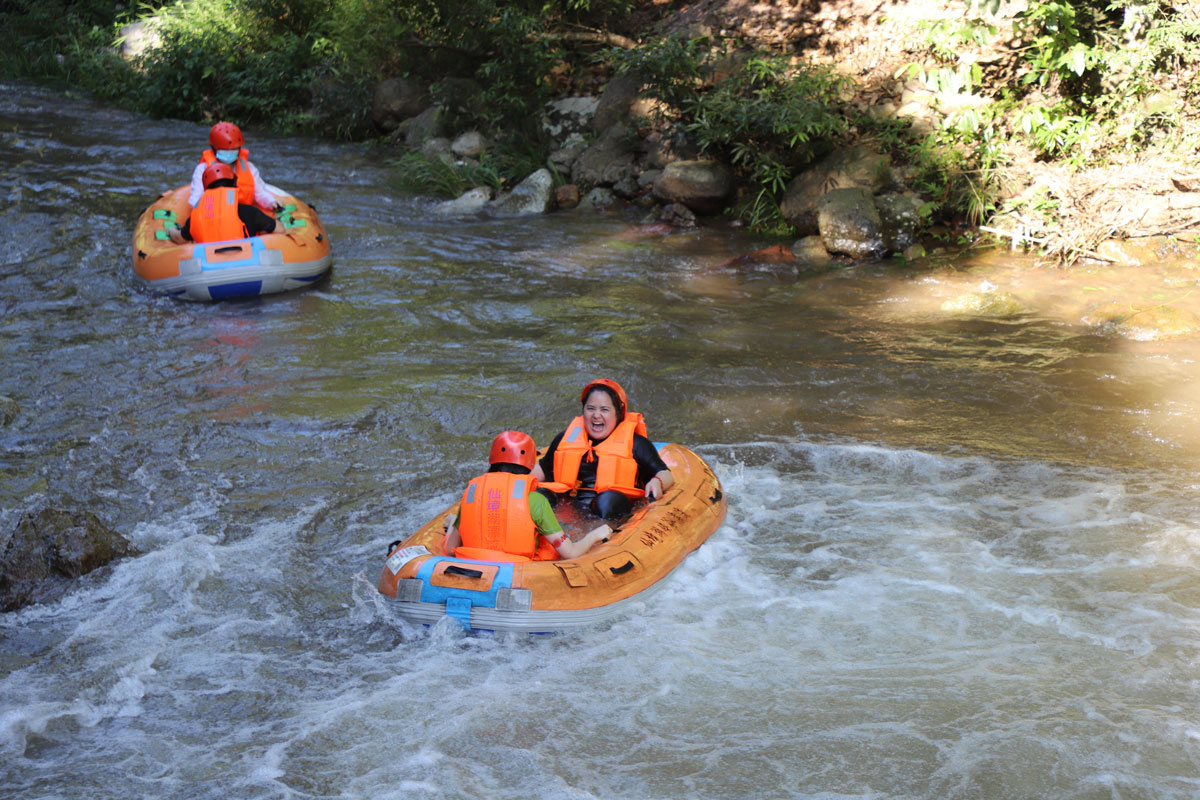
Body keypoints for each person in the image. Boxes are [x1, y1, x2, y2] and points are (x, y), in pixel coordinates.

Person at [443, 431, 612, 562]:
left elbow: (450, 549)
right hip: (518, 573)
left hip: (473, 567)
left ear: (492, 460)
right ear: (530, 465)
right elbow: (570, 553)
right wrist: (595, 535)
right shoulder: (536, 501)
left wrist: (453, 525)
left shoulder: (471, 494)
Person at [533, 378, 674, 520]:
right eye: (590, 409)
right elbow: (543, 469)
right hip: (567, 508)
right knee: (538, 494)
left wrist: (657, 482)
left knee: (607, 501)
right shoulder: (565, 438)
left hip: (608, 509)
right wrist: (522, 482)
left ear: (617, 413)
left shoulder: (636, 444)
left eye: (604, 410)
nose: (596, 415)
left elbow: (665, 473)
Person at [169, 162, 282, 244]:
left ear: (206, 188)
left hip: (209, 265)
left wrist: (171, 230)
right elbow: (279, 230)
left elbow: (180, 239)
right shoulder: (249, 212)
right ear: (234, 184)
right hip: (246, 263)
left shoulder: (196, 217)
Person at [188, 121, 279, 213]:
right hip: (215, 213)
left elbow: (260, 193)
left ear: (239, 149)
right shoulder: (202, 169)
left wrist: (271, 202)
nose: (229, 152)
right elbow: (196, 198)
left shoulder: (249, 168)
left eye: (233, 149)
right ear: (214, 148)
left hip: (242, 211)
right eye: (224, 149)